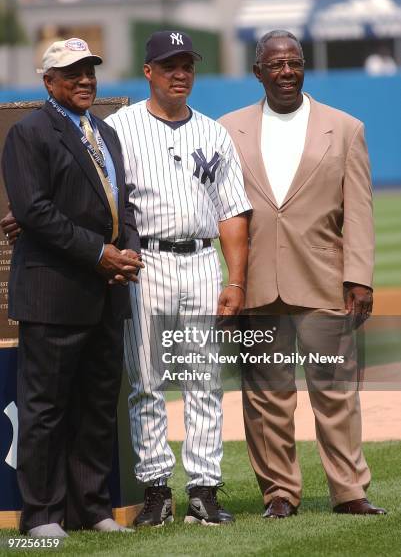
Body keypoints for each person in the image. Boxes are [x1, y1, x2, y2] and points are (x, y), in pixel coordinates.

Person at [219, 30, 386, 518]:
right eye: (275, 65)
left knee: (336, 392)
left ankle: (349, 491)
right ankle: (279, 493)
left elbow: (359, 209)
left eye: (294, 63)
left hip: (324, 279)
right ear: (257, 72)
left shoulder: (345, 127)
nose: (286, 72)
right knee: (266, 396)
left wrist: (360, 277)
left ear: (304, 67)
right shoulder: (228, 129)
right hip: (256, 283)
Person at [105, 30, 252, 526]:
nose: (180, 73)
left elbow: (232, 212)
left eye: (187, 64)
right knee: (146, 381)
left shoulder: (213, 132)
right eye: (169, 65)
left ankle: (204, 490)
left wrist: (234, 281)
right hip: (145, 263)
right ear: (148, 71)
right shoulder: (119, 128)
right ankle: (155, 491)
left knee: (204, 380)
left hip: (200, 261)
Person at [1, 38, 143, 537]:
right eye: (72, 73)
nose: (85, 80)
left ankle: (92, 507)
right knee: (44, 410)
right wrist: (99, 253)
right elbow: (35, 212)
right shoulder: (29, 133)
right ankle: (42, 515)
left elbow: (120, 202)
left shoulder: (105, 132)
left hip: (107, 292)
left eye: (90, 71)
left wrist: (128, 249)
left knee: (96, 405)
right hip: (54, 292)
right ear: (49, 82)